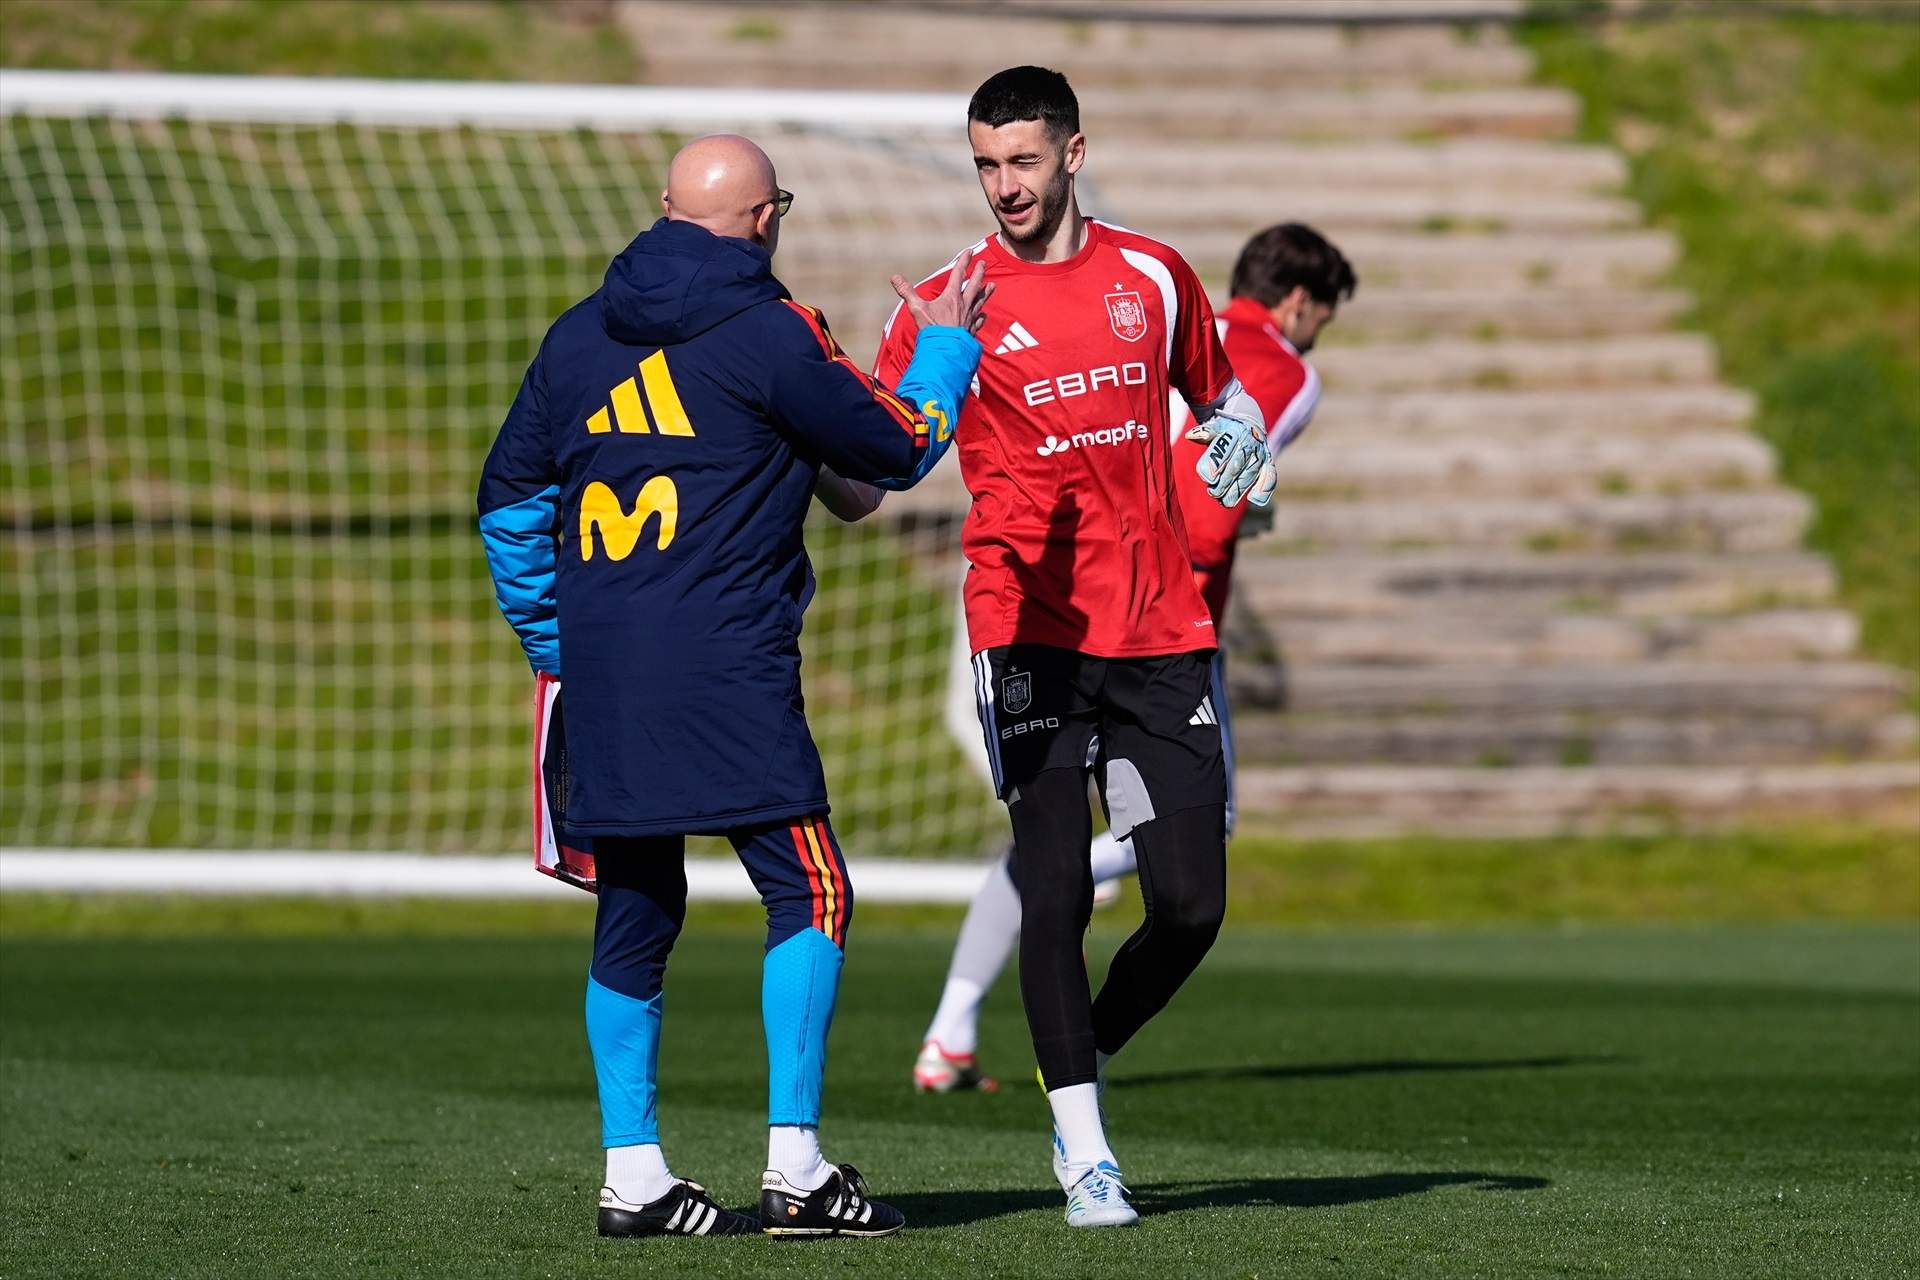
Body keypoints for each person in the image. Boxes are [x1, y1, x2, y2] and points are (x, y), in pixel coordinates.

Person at [477, 133, 990, 1241]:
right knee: (811, 891)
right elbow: (899, 449)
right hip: (728, 670)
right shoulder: (773, 331)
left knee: (638, 908)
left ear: (663, 208)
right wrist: (948, 348)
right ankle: (797, 1170)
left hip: (606, 675)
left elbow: (509, 506)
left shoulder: (574, 339)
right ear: (766, 220)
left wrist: (556, 643)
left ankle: (634, 1175)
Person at [872, 67, 1276, 1229]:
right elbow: (886, 443)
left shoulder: (1153, 275)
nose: (1003, 186)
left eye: (1024, 162)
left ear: (1074, 155)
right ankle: (1087, 1147)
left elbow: (1221, 396)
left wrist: (1245, 447)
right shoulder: (949, 303)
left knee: (1192, 905)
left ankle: (1075, 1048)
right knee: (1051, 883)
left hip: (1158, 627)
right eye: (987, 164)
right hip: (1026, 628)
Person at [913, 221, 1358, 1094]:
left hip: (1027, 591)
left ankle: (956, 1029)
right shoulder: (1278, 366)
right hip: (1142, 619)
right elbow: (1210, 501)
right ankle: (1075, 1051)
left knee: (1055, 852)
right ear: (1301, 303)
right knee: (1172, 850)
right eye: (1321, 320)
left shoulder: (1150, 302)